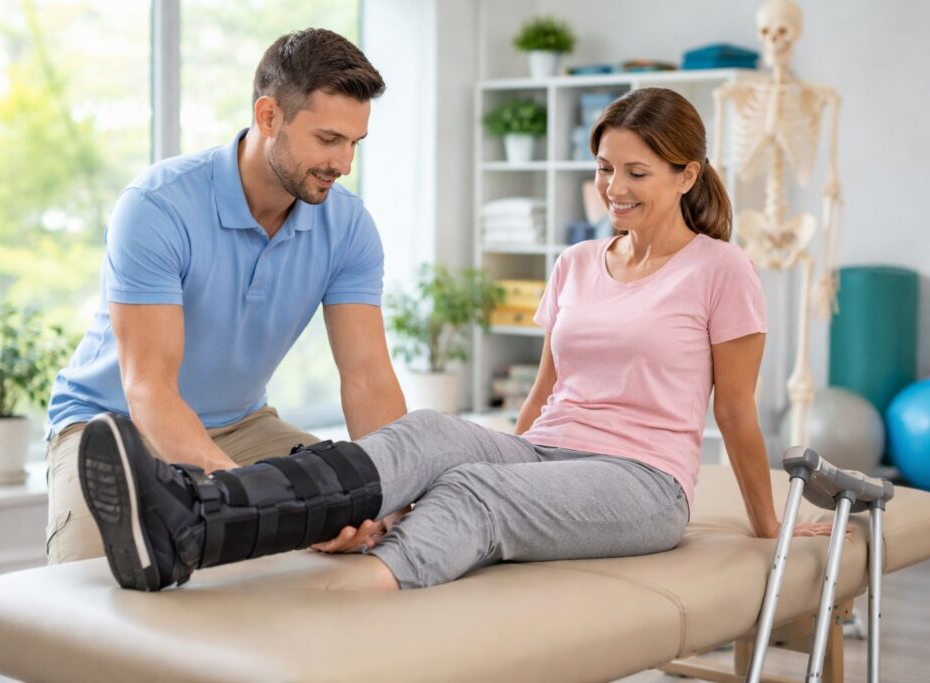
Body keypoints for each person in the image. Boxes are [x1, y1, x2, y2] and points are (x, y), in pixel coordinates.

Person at [77, 87, 837, 593]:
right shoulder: (577, 262)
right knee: (428, 438)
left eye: (636, 172)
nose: (614, 187)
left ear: (686, 174)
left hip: (643, 480)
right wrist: (503, 450)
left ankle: (337, 592)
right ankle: (195, 512)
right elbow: (545, 390)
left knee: (472, 492)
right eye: (604, 167)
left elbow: (737, 411)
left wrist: (765, 521)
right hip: (549, 451)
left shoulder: (722, 269)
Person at [44, 29, 406, 565]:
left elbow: (368, 376)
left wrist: (390, 492)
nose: (344, 163)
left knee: (357, 512)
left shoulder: (349, 225)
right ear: (268, 117)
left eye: (355, 143)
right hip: (112, 428)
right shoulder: (158, 206)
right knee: (89, 596)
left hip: (244, 426)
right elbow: (149, 388)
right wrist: (258, 500)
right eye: (329, 139)